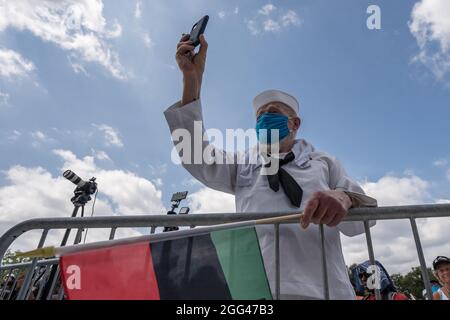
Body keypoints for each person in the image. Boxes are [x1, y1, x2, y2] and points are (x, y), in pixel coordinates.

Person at [164, 33, 377, 300]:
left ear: (295, 123)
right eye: (260, 116)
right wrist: (191, 80)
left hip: (322, 288)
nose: (265, 118)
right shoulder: (243, 163)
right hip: (259, 290)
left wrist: (343, 197)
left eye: (273, 113)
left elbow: (363, 220)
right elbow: (196, 155)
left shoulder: (323, 162)